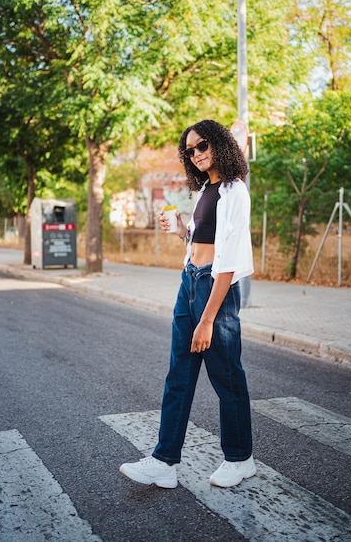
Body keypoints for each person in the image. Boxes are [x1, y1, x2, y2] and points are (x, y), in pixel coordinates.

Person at [120, 119, 256, 489]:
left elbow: (229, 260)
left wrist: (208, 319)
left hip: (216, 290)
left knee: (227, 378)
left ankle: (240, 458)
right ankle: (164, 462)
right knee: (178, 376)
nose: (196, 154)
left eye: (202, 146)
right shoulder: (206, 191)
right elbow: (201, 244)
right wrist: (183, 232)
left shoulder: (234, 191)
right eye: (190, 150)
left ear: (221, 145)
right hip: (190, 284)